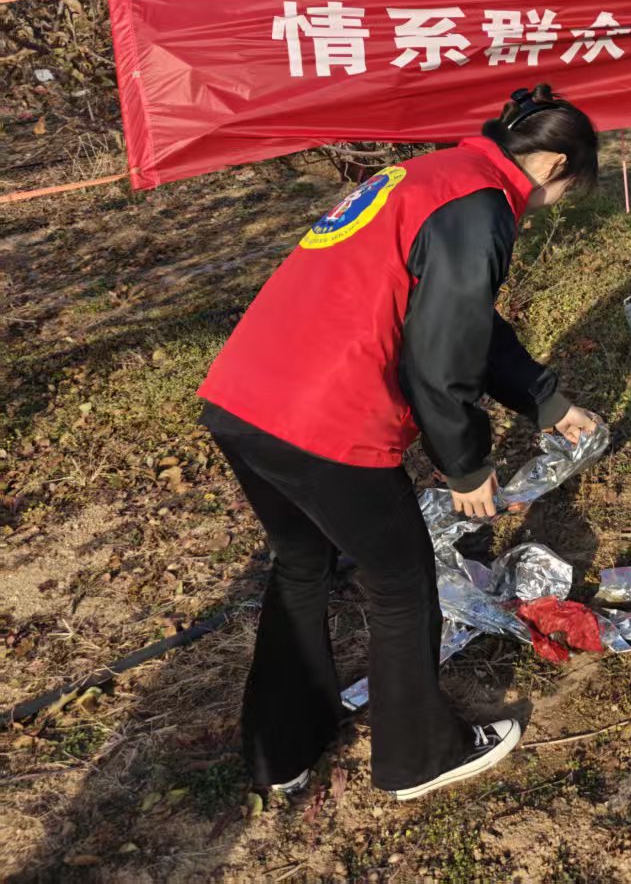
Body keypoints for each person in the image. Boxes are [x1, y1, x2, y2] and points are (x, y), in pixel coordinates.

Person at [198, 85, 604, 802]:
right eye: (564, 194)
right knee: (401, 582)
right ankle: (416, 757)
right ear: (553, 165)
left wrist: (546, 399)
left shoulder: (434, 174)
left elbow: (465, 317)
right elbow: (441, 356)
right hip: (324, 420)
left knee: (302, 564)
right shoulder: (481, 207)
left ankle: (281, 750)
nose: (549, 209)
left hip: (242, 399)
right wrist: (465, 463)